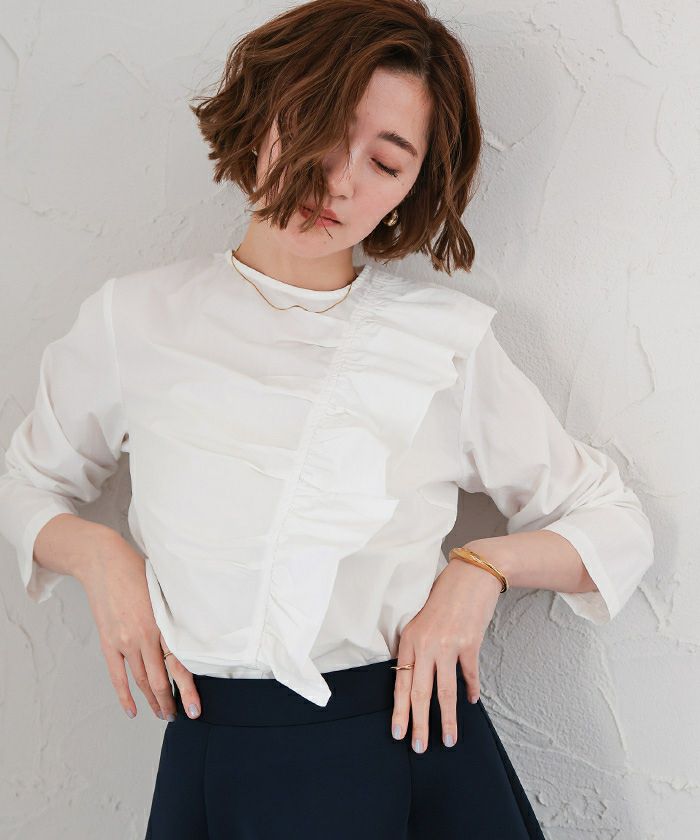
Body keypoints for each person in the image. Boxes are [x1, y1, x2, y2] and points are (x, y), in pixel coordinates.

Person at [0, 1, 654, 838]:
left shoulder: (441, 345)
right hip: (217, 755)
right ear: (269, 110)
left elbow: (613, 520)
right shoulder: (134, 320)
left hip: (413, 753)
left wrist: (480, 571)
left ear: (411, 189)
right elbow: (26, 486)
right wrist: (101, 556)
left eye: (385, 162)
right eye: (323, 127)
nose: (341, 182)